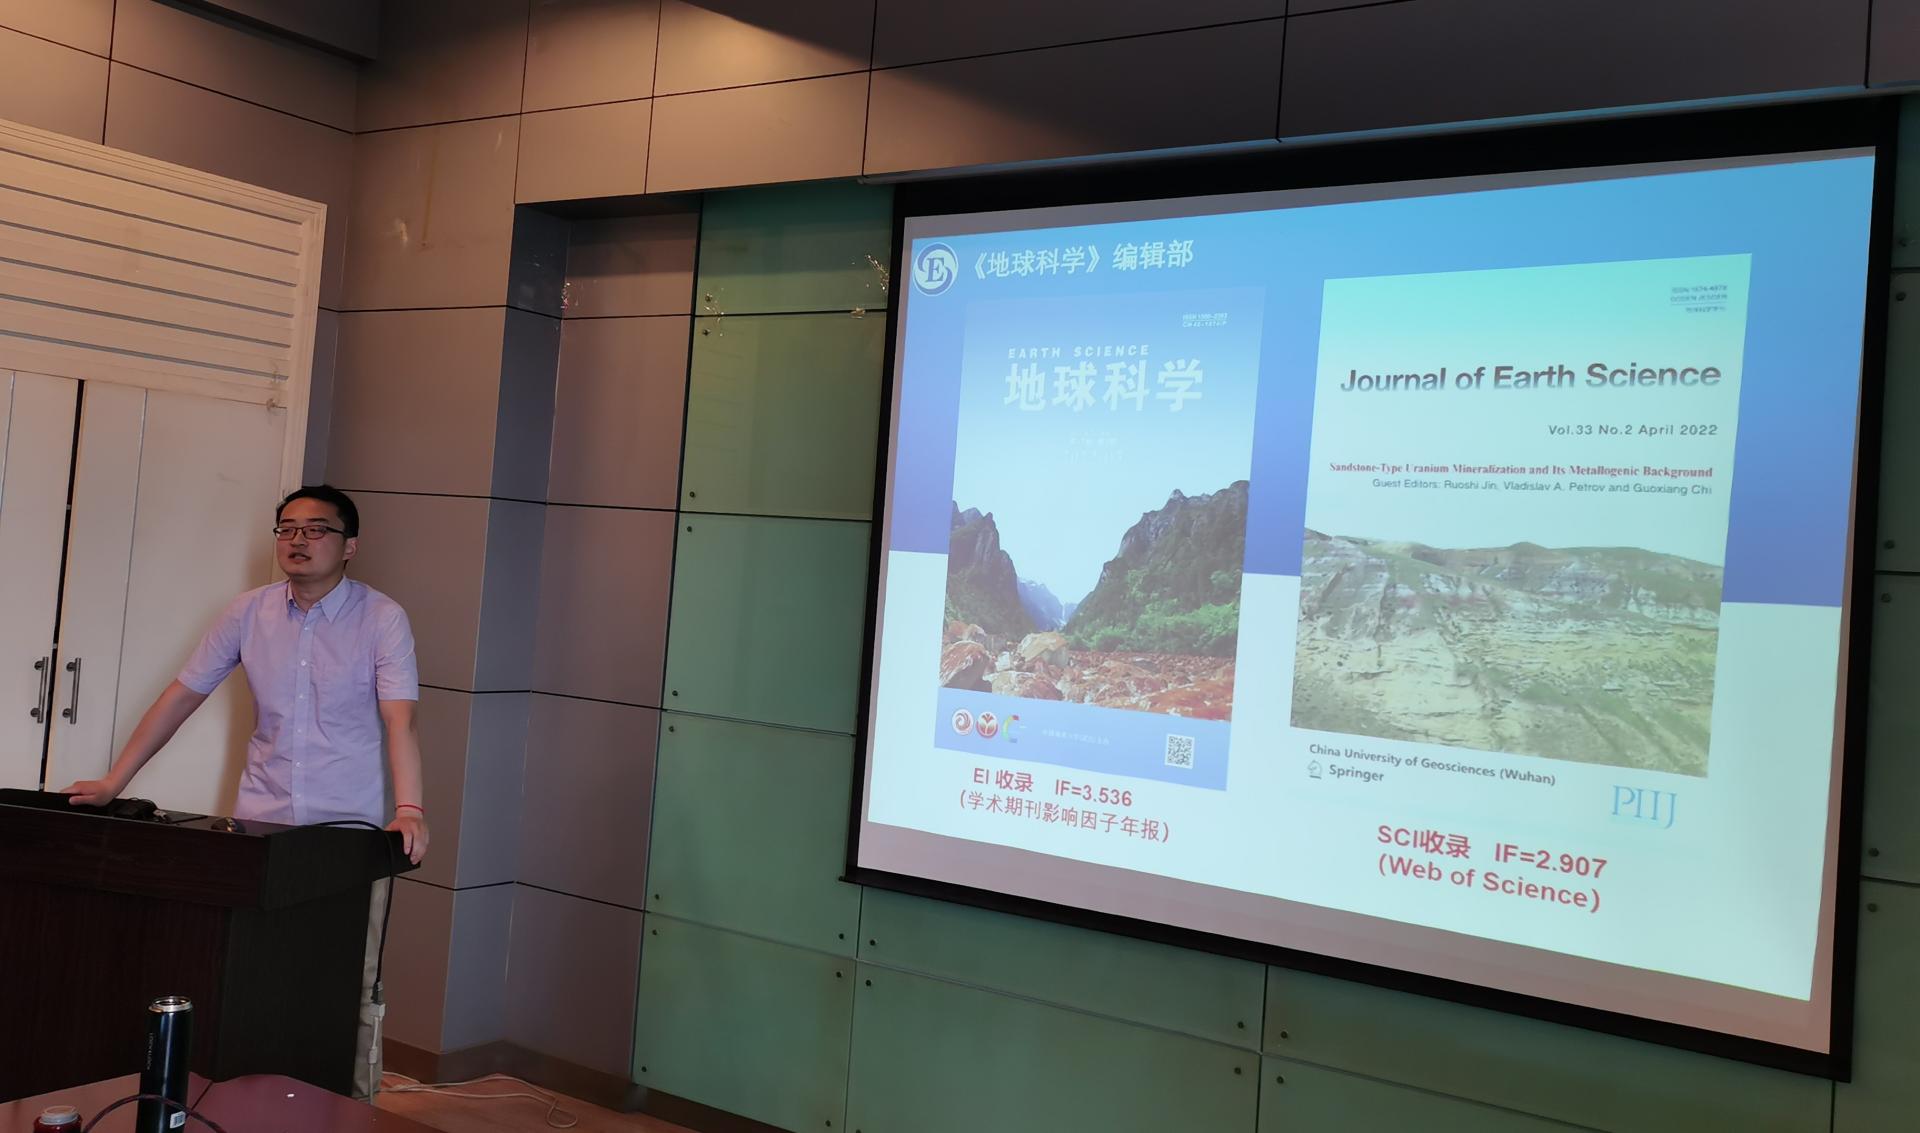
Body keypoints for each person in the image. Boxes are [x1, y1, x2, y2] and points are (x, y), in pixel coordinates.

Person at [60, 484, 427, 1102]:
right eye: (287, 529)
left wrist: (410, 809)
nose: (299, 540)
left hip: (349, 833)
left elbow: (400, 721)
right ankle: (250, 1104)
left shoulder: (382, 618)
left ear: (350, 545)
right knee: (255, 972)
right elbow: (181, 696)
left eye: (317, 529)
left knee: (350, 981)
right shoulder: (247, 612)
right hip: (261, 826)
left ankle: (353, 1109)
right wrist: (114, 782)